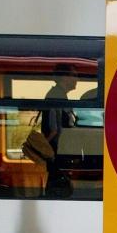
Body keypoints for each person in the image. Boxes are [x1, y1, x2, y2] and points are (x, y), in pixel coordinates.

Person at [41, 66, 77, 197]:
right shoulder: (56, 95)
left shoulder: (59, 94)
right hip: (57, 151)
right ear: (64, 77)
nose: (77, 79)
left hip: (58, 150)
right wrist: (43, 148)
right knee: (57, 188)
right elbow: (54, 129)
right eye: (74, 75)